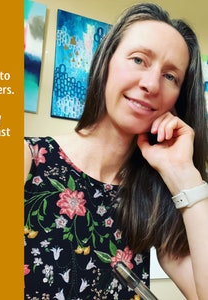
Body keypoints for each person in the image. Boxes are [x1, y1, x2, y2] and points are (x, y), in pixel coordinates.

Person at [24, 3, 208, 299]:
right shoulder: (28, 160)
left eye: (170, 76)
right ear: (106, 61)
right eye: (138, 60)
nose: (151, 84)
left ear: (177, 100)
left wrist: (184, 175)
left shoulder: (156, 198)